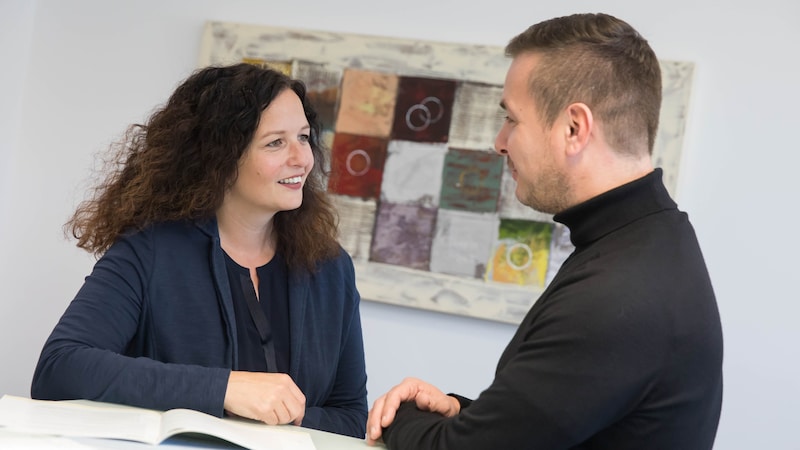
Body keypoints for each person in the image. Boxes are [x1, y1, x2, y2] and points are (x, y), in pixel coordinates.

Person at [366, 12, 722, 449]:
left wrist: (402, 416)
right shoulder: (648, 246)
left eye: (512, 119)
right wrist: (460, 412)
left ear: (574, 128)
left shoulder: (619, 294)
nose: (500, 141)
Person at [30, 63, 368, 438]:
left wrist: (286, 417)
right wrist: (224, 389)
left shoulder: (332, 267)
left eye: (303, 137)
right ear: (220, 158)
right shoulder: (150, 250)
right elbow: (59, 368)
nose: (302, 159)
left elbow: (351, 417)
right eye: (275, 142)